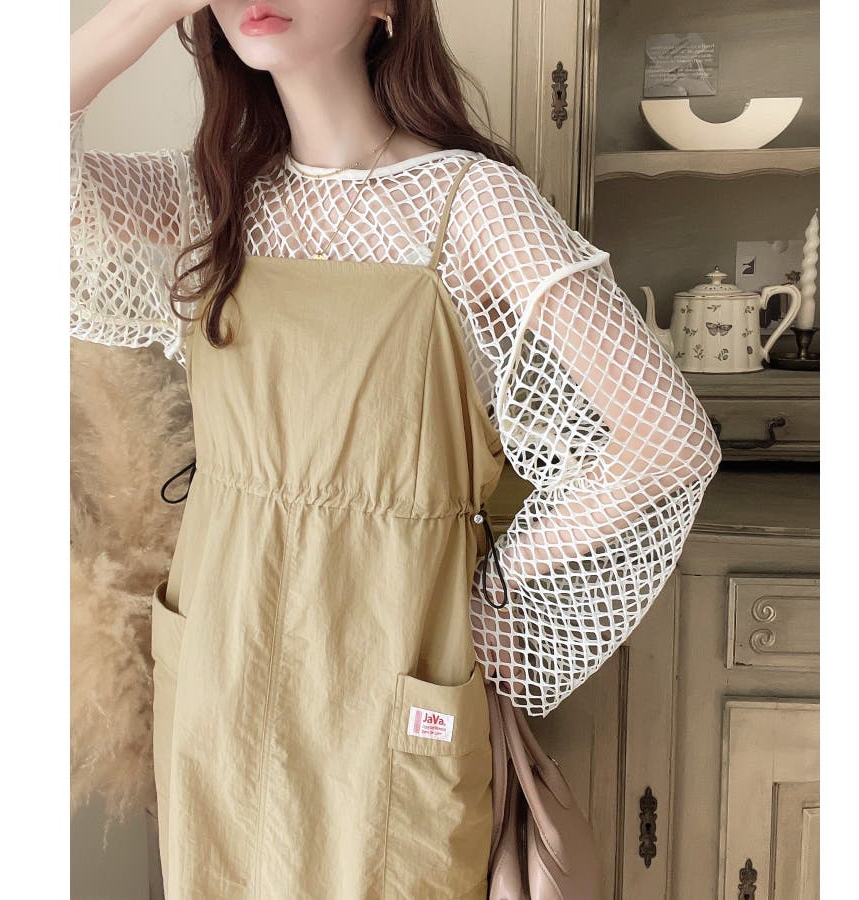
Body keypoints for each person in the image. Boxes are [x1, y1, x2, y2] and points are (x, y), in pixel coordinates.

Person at [70, 2, 722, 897]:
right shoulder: (211, 197)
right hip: (221, 652)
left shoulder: (469, 204)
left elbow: (666, 438)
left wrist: (495, 603)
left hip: (389, 656)